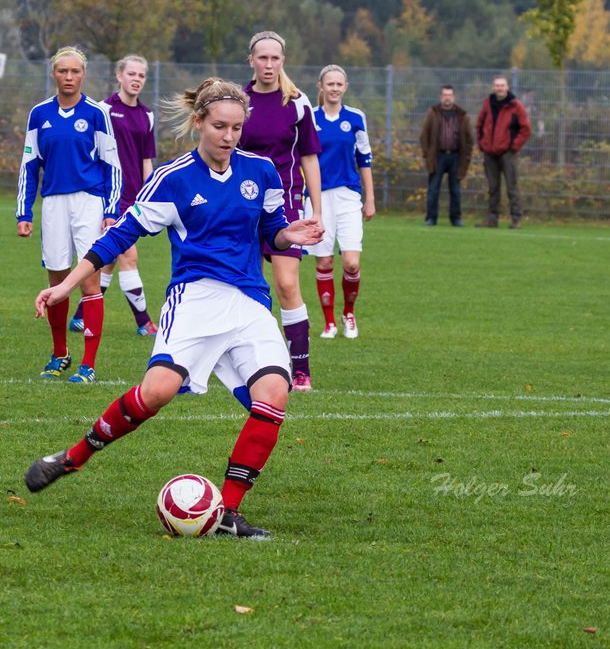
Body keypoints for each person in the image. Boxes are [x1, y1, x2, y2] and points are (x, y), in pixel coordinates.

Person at [24, 78, 325, 539]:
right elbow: (118, 236)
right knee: (157, 393)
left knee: (274, 396)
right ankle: (73, 457)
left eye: (237, 128)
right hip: (195, 299)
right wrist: (66, 284)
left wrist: (289, 236)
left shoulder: (261, 171)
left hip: (248, 301)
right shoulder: (172, 179)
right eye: (220, 126)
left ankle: (227, 513)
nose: (229, 136)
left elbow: (272, 230)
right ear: (199, 123)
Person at [15, 45, 121, 383]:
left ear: (83, 74)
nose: (69, 77)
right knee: (57, 280)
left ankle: (88, 365)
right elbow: (29, 165)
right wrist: (23, 211)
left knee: (89, 281)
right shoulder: (39, 114)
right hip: (53, 204)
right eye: (63, 71)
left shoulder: (96, 113)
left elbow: (112, 165)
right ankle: (60, 354)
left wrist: (111, 210)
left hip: (89, 202)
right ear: (54, 74)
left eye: (75, 71)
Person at [241, 31, 323, 390]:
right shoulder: (237, 101)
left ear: (283, 61)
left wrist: (316, 209)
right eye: (262, 58)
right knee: (246, 287)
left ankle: (300, 367)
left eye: (275, 58)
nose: (269, 65)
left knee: (287, 284)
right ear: (251, 61)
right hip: (241, 205)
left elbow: (309, 157)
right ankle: (253, 362)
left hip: (286, 204)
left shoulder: (298, 102)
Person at [69, 54, 159, 337]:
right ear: (119, 76)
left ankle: (80, 316)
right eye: (131, 74)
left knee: (108, 259)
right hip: (110, 196)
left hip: (134, 197)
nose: (136, 79)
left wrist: (150, 195)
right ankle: (144, 322)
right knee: (128, 257)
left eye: (141, 75)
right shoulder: (103, 110)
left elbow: (147, 160)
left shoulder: (147, 115)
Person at [307, 64, 374, 339]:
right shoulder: (309, 118)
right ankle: (329, 322)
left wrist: (369, 199)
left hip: (348, 196)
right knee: (323, 262)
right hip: (317, 197)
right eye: (329, 84)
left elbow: (364, 158)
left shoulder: (356, 118)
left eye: (339, 84)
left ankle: (349, 314)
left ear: (345, 87)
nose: (334, 88)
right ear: (320, 87)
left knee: (351, 264)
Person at [474, 74, 531, 229]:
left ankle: (516, 219)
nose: (499, 88)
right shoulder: (488, 103)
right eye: (497, 85)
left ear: (507, 87)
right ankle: (492, 219)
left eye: (502, 85)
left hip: (507, 153)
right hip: (490, 153)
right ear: (493, 87)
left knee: (512, 187)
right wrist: (481, 144)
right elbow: (479, 125)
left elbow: (526, 129)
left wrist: (513, 147)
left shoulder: (516, 106)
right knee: (493, 188)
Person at [419, 84, 473, 227]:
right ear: (441, 97)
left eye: (449, 95)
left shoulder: (462, 115)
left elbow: (469, 140)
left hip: (456, 157)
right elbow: (424, 135)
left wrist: (466, 157)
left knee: (455, 190)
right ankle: (431, 218)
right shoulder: (433, 113)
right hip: (438, 156)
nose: (447, 98)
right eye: (444, 95)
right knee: (433, 189)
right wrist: (427, 154)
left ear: (453, 97)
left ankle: (456, 218)